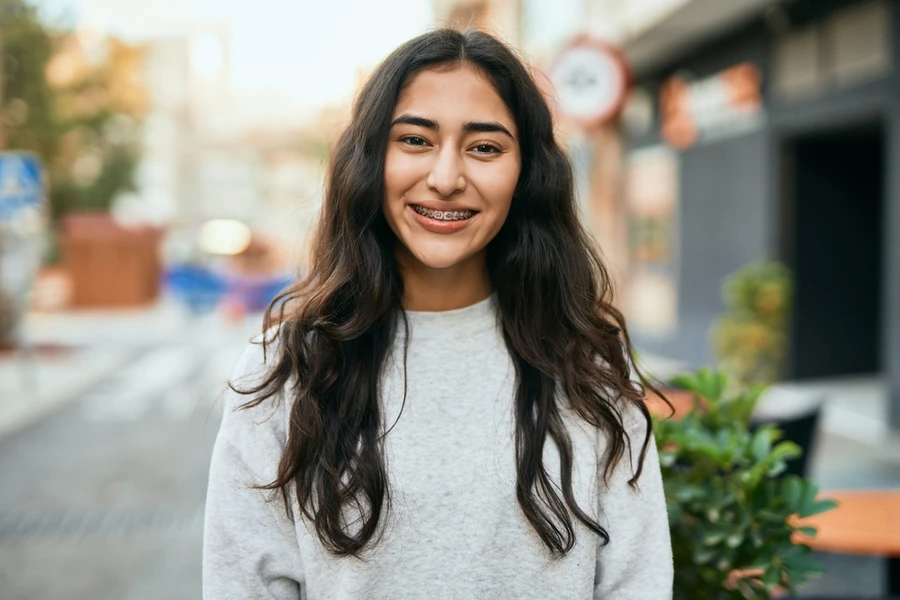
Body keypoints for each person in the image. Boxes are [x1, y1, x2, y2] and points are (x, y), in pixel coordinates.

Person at [203, 28, 673, 600]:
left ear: (527, 173)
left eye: (485, 148)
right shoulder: (286, 369)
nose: (447, 179)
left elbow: (636, 583)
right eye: (416, 140)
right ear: (372, 159)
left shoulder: (585, 360)